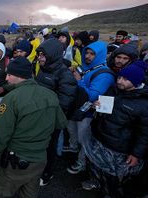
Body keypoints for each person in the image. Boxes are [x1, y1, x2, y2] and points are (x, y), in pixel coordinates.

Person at [0, 57, 68, 198]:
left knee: (4, 191)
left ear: (19, 76)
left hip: (15, 161)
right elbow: (61, 123)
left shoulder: (11, 99)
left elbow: (1, 134)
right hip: (39, 159)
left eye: (9, 74)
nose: (6, 77)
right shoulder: (50, 95)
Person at [84, 61, 148, 197]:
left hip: (119, 148)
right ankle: (97, 182)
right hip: (101, 138)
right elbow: (104, 109)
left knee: (114, 177)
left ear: (136, 82)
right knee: (97, 166)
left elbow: (144, 133)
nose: (120, 81)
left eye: (125, 79)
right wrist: (97, 106)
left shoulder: (143, 104)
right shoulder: (114, 89)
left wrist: (136, 154)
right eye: (119, 77)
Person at [66, 41, 116, 174]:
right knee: (72, 131)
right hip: (78, 108)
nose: (88, 56)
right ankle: (73, 148)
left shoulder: (104, 75)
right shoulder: (89, 67)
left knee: (84, 140)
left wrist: (78, 80)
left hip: (88, 113)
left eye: (92, 54)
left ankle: (81, 163)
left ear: (100, 55)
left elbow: (92, 95)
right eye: (86, 53)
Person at [34, 38, 77, 186]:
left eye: (42, 55)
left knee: (49, 146)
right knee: (40, 145)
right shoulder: (44, 69)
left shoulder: (65, 75)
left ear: (52, 55)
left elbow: (64, 104)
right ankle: (39, 167)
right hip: (39, 116)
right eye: (39, 54)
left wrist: (49, 119)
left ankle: (47, 173)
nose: (39, 58)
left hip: (52, 121)